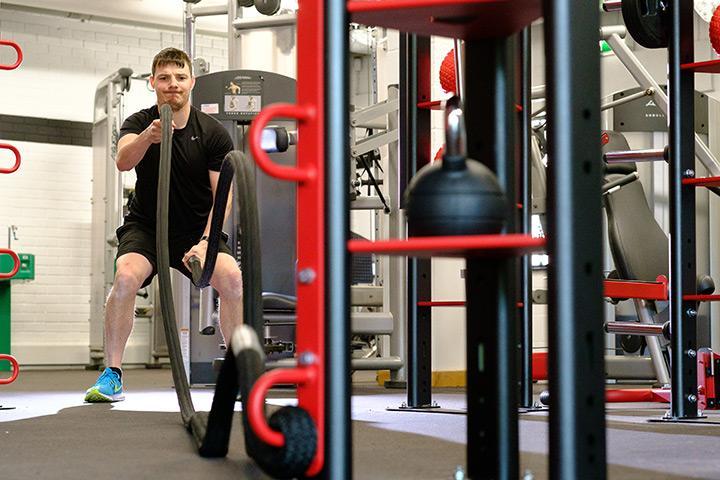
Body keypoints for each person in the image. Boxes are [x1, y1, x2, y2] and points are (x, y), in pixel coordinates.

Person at [85, 48, 242, 402]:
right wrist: (148, 138)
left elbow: (223, 196)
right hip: (147, 226)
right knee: (125, 277)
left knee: (231, 279)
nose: (173, 85)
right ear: (153, 83)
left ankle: (236, 373)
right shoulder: (139, 122)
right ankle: (113, 375)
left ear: (192, 82)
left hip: (194, 231)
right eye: (165, 78)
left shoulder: (213, 132)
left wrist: (207, 241)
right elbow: (123, 161)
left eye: (180, 77)